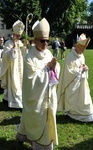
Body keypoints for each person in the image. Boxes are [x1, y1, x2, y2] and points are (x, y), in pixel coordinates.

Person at [16, 18, 60, 150]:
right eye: (42, 40)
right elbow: (31, 79)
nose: (46, 43)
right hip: (36, 98)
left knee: (45, 120)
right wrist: (47, 68)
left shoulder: (48, 53)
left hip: (49, 95)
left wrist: (54, 67)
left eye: (47, 40)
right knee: (34, 119)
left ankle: (22, 135)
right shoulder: (29, 57)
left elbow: (56, 70)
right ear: (35, 41)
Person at [57, 33, 93, 123]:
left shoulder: (82, 56)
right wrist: (79, 70)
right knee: (78, 99)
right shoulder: (70, 56)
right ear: (77, 47)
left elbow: (82, 66)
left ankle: (88, 115)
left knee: (85, 97)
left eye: (83, 50)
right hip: (72, 84)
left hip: (81, 82)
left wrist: (85, 68)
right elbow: (68, 72)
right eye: (81, 49)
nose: (82, 51)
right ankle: (73, 113)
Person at [0, 20, 27, 109]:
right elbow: (6, 56)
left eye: (20, 36)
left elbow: (23, 54)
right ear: (14, 34)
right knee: (14, 84)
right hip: (12, 67)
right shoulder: (8, 43)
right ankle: (16, 103)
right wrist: (13, 48)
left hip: (20, 67)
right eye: (17, 35)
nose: (18, 37)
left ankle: (6, 99)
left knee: (19, 84)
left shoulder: (19, 42)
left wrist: (24, 47)